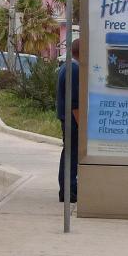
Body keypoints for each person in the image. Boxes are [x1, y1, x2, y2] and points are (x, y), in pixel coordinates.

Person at [56, 37, 81, 206]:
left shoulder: (67, 66)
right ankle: (69, 190)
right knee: (71, 155)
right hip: (71, 119)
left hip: (67, 117)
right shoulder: (74, 69)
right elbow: (74, 102)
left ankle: (67, 189)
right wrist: (81, 124)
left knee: (69, 153)